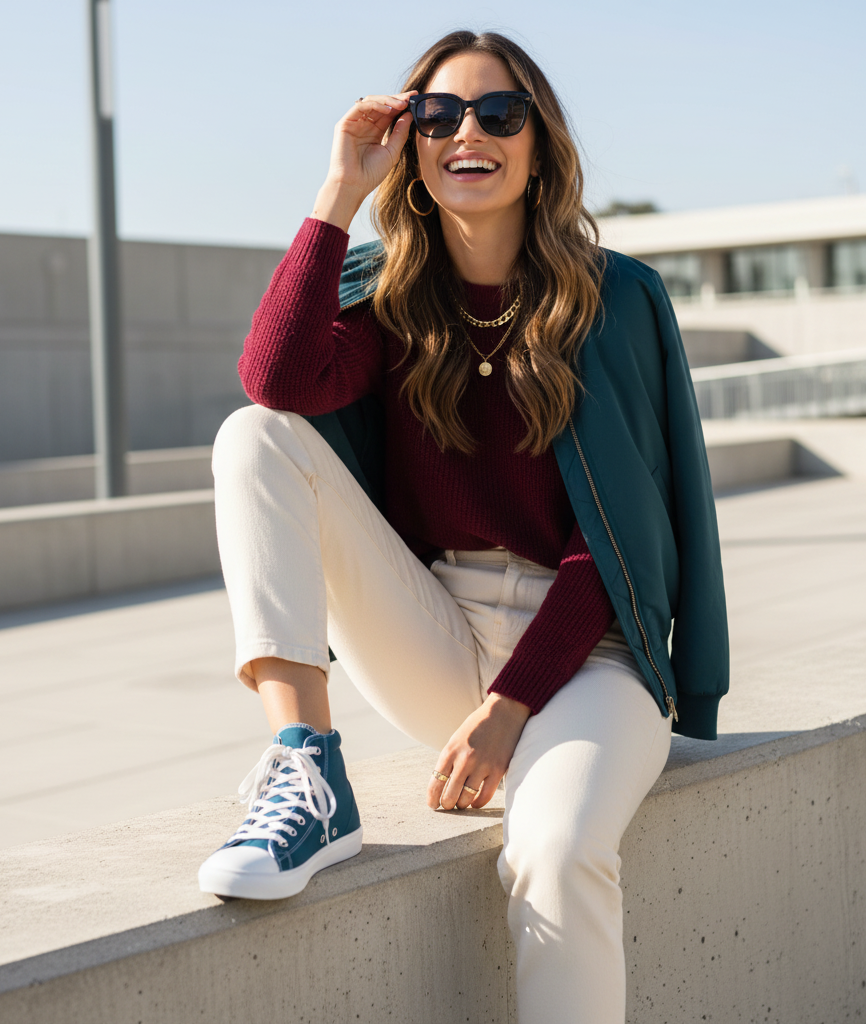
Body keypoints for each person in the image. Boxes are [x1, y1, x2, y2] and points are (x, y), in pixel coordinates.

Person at [197, 29, 729, 1023]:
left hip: (590, 654)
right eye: (437, 116)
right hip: (435, 628)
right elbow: (276, 382)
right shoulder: (390, 295)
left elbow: (615, 544)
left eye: (498, 113)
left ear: (539, 144)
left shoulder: (613, 301)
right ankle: (308, 774)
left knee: (557, 850)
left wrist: (510, 705)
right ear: (415, 143)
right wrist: (336, 194)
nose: (465, 132)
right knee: (253, 438)